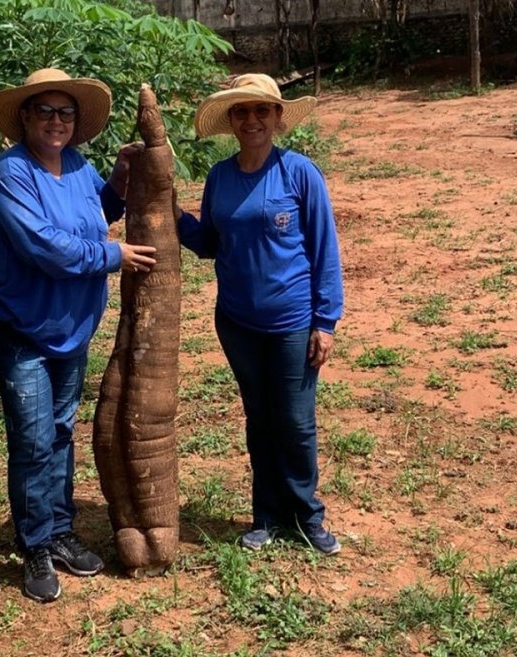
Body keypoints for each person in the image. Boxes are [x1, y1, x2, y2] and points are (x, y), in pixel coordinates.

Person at [0, 68, 157, 602]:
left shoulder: (78, 166)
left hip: (70, 329)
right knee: (33, 440)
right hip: (21, 328)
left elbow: (94, 216)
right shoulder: (11, 173)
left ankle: (59, 530)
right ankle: (35, 544)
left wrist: (119, 180)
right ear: (25, 117)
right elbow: (45, 247)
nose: (56, 121)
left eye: (66, 112)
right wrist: (114, 256)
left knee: (60, 431)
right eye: (45, 111)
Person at [174, 73, 344, 554]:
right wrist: (174, 215)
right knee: (259, 419)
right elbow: (210, 242)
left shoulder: (299, 173)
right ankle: (266, 516)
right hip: (237, 323)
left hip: (292, 323)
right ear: (231, 121)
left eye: (261, 110)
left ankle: (306, 516)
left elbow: (325, 250)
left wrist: (325, 322)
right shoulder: (220, 177)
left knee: (295, 422)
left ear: (277, 116)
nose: (252, 120)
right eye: (242, 111)